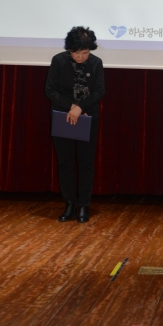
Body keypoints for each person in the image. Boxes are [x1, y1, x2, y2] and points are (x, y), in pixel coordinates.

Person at [45, 26, 105, 223]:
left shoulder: (96, 63)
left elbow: (99, 91)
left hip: (87, 117)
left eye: (85, 53)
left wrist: (81, 107)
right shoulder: (59, 61)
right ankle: (69, 203)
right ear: (69, 49)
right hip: (63, 116)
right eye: (76, 52)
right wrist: (71, 107)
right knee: (65, 162)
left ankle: (84, 205)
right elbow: (50, 90)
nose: (80, 57)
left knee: (86, 163)